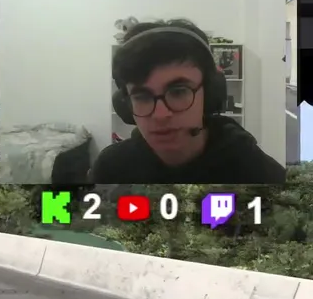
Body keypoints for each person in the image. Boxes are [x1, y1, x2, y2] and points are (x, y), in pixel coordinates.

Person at [91, 19, 286, 184]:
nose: (160, 115)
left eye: (178, 92)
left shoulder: (257, 172)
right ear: (126, 106)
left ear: (209, 94)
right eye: (142, 96)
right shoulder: (110, 169)